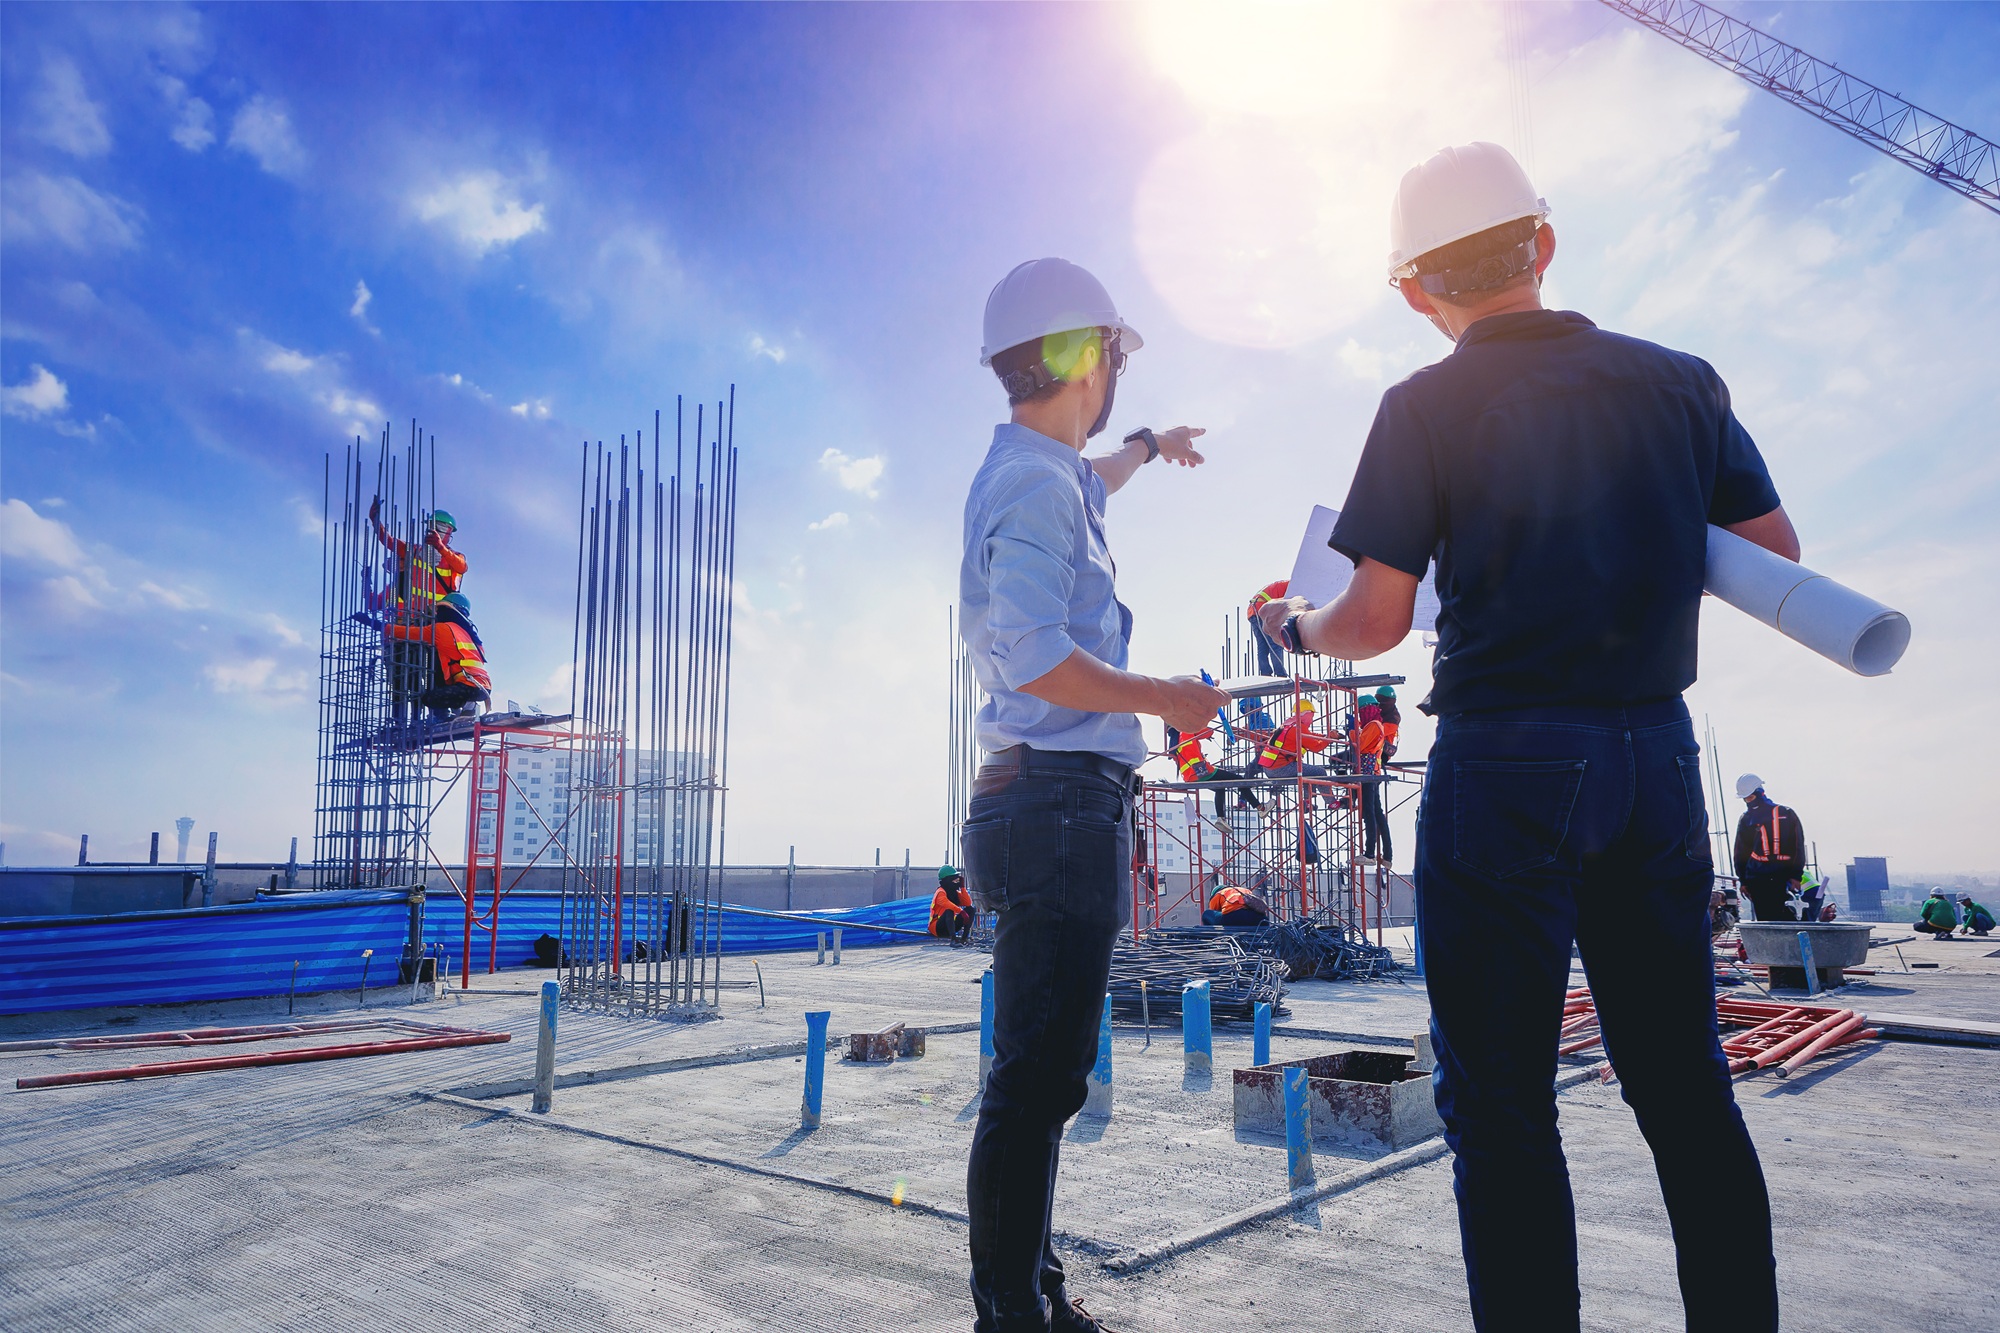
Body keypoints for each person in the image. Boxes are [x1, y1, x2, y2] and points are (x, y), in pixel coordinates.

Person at [1255, 142, 1791, 1331]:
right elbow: (1774, 558)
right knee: (1684, 1088)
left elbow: (1377, 617)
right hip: (1653, 756)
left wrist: (1293, 626)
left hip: (1503, 765)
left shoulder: (1422, 406)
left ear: (1412, 290)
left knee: (1500, 1109)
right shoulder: (1681, 381)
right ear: (1542, 244)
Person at [957, 257, 1226, 1333]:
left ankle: (1028, 1295)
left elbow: (1087, 483)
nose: (1114, 374)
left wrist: (1150, 449)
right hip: (1056, 807)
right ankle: (1009, 1315)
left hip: (1052, 802)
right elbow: (1032, 654)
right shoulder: (1034, 481)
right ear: (1083, 359)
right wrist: (1168, 696)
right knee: (1034, 1084)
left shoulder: (1047, 470)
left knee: (1043, 1078)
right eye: (1109, 354)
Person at [384, 591, 491, 719]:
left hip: (467, 687)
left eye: (440, 609)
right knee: (441, 662)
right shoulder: (472, 636)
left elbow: (406, 632)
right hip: (484, 688)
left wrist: (379, 626)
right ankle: (468, 706)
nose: (437, 613)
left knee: (430, 698)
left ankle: (450, 713)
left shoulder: (442, 629)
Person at [1734, 775, 1806, 923]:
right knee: (1766, 921)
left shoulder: (1786, 814)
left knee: (1787, 919)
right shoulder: (1747, 819)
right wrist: (1744, 881)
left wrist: (1795, 876)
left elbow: (1797, 846)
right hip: (1758, 879)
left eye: (1750, 797)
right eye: (1745, 799)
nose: (1748, 802)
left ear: (1760, 792)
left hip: (1782, 878)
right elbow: (1741, 852)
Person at [1351, 693, 1392, 867]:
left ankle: (1370, 853)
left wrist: (1352, 732)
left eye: (1361, 712)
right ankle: (1387, 855)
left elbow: (1360, 745)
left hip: (1369, 774)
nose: (1360, 716)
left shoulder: (1374, 726)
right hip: (1371, 773)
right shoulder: (1373, 725)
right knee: (1376, 813)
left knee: (1369, 813)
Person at [930, 866, 973, 944]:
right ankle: (953, 940)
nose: (957, 881)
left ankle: (964, 939)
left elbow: (968, 903)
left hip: (950, 925)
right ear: (948, 880)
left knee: (970, 909)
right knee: (949, 910)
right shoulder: (940, 892)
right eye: (954, 879)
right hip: (937, 927)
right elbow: (947, 904)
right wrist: (961, 912)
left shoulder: (953, 893)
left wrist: (962, 887)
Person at [1202, 882, 1271, 928]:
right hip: (1258, 919)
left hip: (1233, 917)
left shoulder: (1219, 893)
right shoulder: (1245, 890)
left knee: (1206, 914)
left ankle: (1211, 939)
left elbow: (1214, 913)